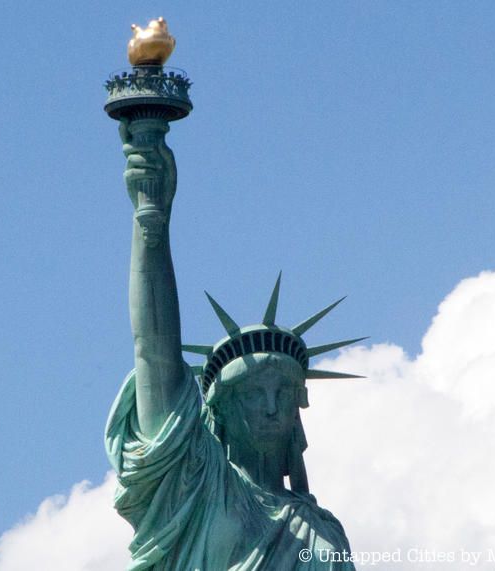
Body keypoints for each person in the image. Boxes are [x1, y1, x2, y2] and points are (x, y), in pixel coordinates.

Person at [105, 116, 357, 570]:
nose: (270, 407)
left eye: (282, 393)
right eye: (253, 394)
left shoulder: (323, 530)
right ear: (217, 407)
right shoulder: (196, 482)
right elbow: (153, 346)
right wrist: (151, 216)